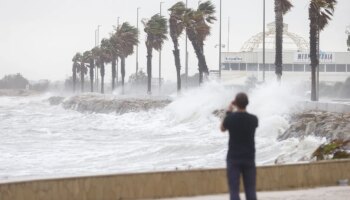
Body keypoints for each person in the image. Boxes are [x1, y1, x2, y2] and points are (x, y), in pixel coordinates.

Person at [220, 92, 258, 200]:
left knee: (234, 190)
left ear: (236, 103)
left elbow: (222, 129)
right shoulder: (253, 119)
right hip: (249, 158)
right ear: (247, 103)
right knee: (250, 190)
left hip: (234, 158)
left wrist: (228, 111)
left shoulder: (230, 118)